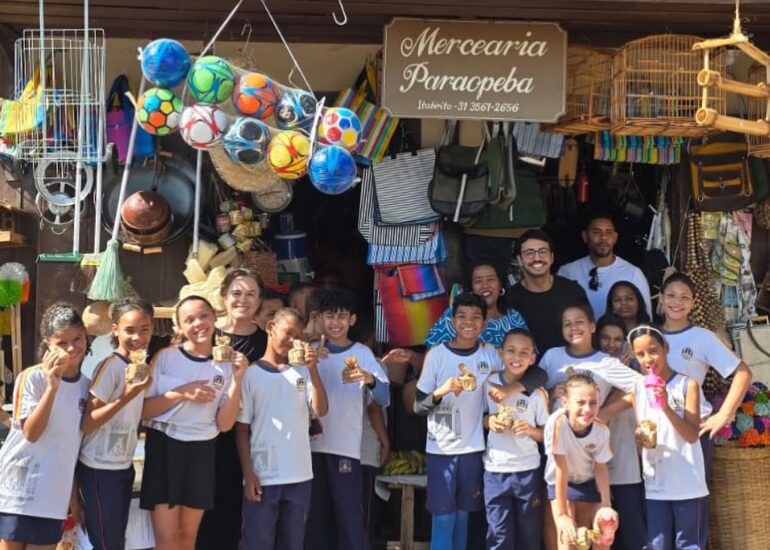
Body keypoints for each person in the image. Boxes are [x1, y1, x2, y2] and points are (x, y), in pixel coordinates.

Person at [140, 296, 248, 550]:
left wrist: (238, 378)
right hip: (164, 446)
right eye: (189, 320)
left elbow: (225, 425)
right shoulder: (165, 357)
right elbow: (143, 411)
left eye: (203, 316)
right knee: (167, 537)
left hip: (202, 448)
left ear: (215, 318)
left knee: (187, 536)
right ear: (179, 327)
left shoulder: (228, 364)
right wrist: (181, 392)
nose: (198, 324)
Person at [601, 326, 709, 549]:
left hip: (687, 482)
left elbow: (691, 435)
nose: (648, 359)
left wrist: (666, 406)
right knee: (657, 544)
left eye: (653, 351)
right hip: (656, 484)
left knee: (688, 544)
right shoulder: (638, 389)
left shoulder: (687, 385)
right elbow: (604, 415)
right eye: (640, 354)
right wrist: (640, 438)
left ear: (665, 348)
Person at [413, 293, 502, 550]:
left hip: (473, 449)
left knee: (463, 517)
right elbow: (418, 406)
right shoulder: (437, 355)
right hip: (441, 450)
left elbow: (525, 372)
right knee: (443, 518)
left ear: (484, 323)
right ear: (452, 321)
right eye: (461, 316)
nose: (468, 323)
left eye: (475, 317)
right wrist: (441, 391)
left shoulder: (490, 354)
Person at [0, 303, 91, 549]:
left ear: (86, 337)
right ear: (48, 344)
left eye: (77, 339)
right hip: (18, 489)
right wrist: (52, 386)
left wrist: (74, 501)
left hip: (53, 495)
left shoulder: (87, 387)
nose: (71, 348)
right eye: (62, 343)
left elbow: (69, 449)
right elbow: (31, 433)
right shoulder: (32, 377)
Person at [236, 308, 328, 550]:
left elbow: (320, 409)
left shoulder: (302, 372)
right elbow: (242, 430)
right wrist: (248, 474)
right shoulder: (250, 375)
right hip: (263, 475)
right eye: (288, 333)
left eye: (298, 337)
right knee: (257, 542)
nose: (292, 341)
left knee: (293, 543)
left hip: (300, 474)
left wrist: (313, 369)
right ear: (270, 328)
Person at [305, 289, 389, 550]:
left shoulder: (362, 353)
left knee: (349, 518)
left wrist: (369, 379)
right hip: (309, 450)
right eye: (330, 316)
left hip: (346, 450)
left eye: (342, 316)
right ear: (320, 318)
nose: (336, 322)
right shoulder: (309, 351)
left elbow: (384, 397)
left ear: (352, 320)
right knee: (315, 520)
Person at [197, 268, 267, 550]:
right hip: (201, 434)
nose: (243, 300)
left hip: (245, 437)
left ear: (259, 300)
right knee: (197, 516)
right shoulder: (206, 336)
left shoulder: (266, 342)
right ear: (224, 297)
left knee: (230, 515)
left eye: (251, 294)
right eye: (236, 293)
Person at [78, 298, 155, 550]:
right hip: (99, 468)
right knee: (105, 542)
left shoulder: (140, 368)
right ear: (115, 330)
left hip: (122, 465)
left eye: (144, 329)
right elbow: (88, 423)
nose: (137, 337)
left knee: (117, 540)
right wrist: (127, 395)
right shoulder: (111, 366)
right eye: (129, 330)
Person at [483, 328, 547, 550]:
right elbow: (479, 419)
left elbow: (547, 434)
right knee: (498, 534)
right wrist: (491, 421)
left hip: (527, 470)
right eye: (510, 351)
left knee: (529, 533)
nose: (516, 357)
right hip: (495, 470)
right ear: (500, 353)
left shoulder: (538, 393)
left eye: (523, 352)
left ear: (532, 358)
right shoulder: (489, 383)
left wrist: (530, 430)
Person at [544, 374, 617, 550]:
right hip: (562, 481)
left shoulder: (601, 430)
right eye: (580, 402)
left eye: (593, 403)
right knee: (568, 536)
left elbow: (601, 468)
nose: (587, 409)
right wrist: (562, 515)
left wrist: (606, 505)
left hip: (588, 480)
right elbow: (561, 469)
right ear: (565, 402)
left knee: (603, 528)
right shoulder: (557, 423)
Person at [594, 314, 646, 550]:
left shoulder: (634, 370)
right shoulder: (592, 366)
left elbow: (639, 393)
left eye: (617, 339)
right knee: (603, 529)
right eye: (605, 338)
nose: (611, 345)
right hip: (595, 461)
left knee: (633, 524)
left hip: (625, 456)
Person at [507, 229, 589, 354]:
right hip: (526, 365)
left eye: (543, 252)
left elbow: (588, 334)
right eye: (529, 253)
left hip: (571, 364)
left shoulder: (573, 291)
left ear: (552, 257)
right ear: (520, 260)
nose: (537, 258)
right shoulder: (509, 299)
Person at [558, 213, 652, 319]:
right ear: (585, 236)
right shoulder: (568, 272)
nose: (603, 237)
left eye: (609, 232)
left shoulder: (633, 274)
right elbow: (557, 314)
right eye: (596, 232)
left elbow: (646, 318)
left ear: (615, 238)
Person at [426, 260, 528, 348]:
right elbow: (431, 355)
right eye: (478, 281)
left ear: (500, 284)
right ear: (471, 288)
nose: (485, 286)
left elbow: (528, 354)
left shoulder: (514, 317)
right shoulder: (454, 314)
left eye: (490, 279)